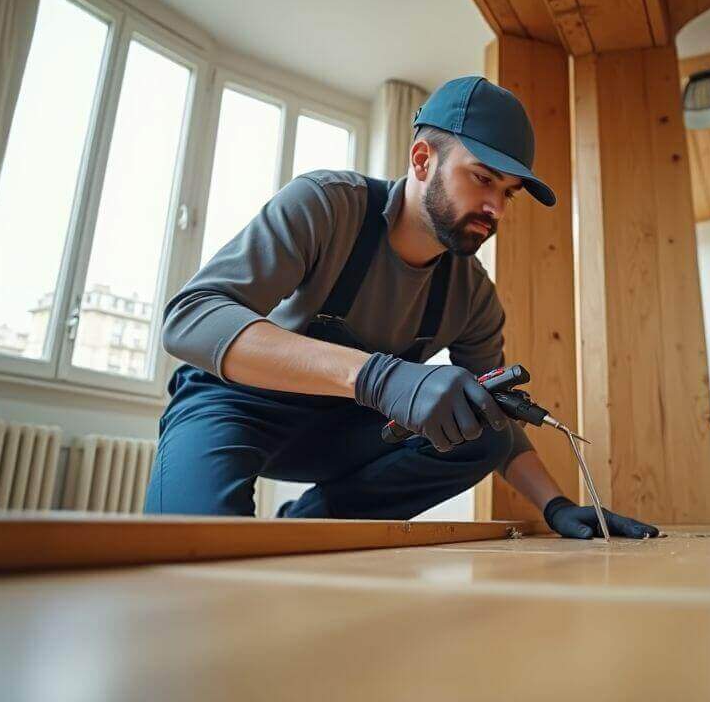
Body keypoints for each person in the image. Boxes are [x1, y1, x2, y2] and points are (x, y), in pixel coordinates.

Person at [145, 76, 659, 540]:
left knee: (479, 438)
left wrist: (557, 505)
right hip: (236, 406)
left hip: (347, 433)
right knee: (193, 547)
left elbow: (495, 416)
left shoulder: (473, 295)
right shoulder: (327, 206)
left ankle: (311, 527)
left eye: (509, 193)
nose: (496, 209)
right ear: (422, 160)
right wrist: (380, 377)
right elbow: (190, 318)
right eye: (482, 178)